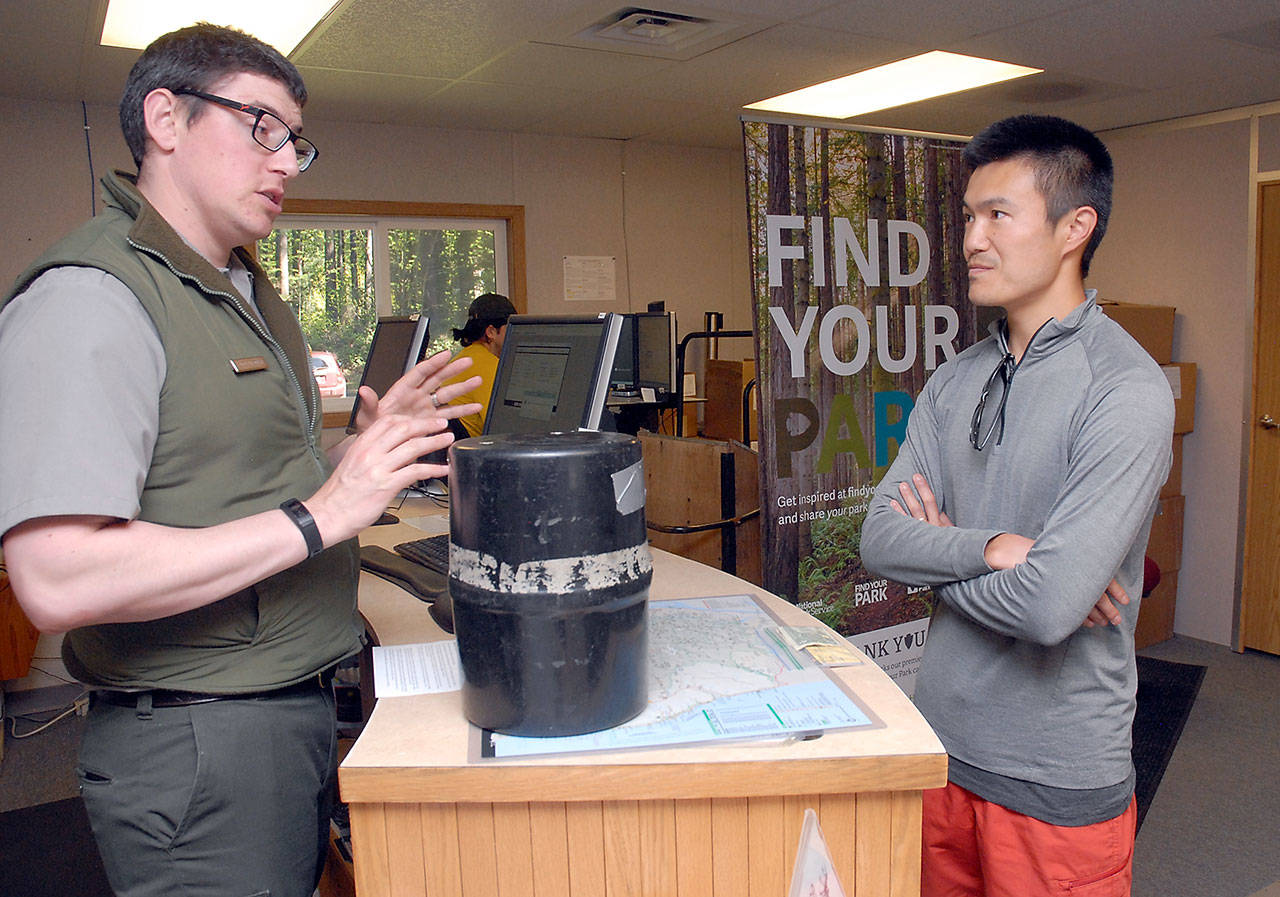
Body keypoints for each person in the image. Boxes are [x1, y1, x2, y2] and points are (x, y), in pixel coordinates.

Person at [0, 24, 480, 897]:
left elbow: (231, 484)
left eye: (296, 140)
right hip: (195, 740)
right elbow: (56, 578)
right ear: (166, 119)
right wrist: (329, 511)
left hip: (275, 713)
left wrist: (357, 456)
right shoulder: (95, 296)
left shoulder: (239, 289)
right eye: (261, 125)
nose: (288, 161)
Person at [860, 115, 1175, 896]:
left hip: (1055, 785)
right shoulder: (955, 377)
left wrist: (942, 560)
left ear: (1076, 226)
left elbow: (1048, 610)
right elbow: (877, 535)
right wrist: (1002, 545)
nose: (971, 238)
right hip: (941, 751)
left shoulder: (1126, 390)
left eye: (998, 214)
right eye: (968, 216)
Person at [443, 292, 516, 436]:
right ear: (491, 332)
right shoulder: (488, 366)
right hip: (474, 452)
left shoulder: (466, 357)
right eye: (511, 328)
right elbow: (502, 428)